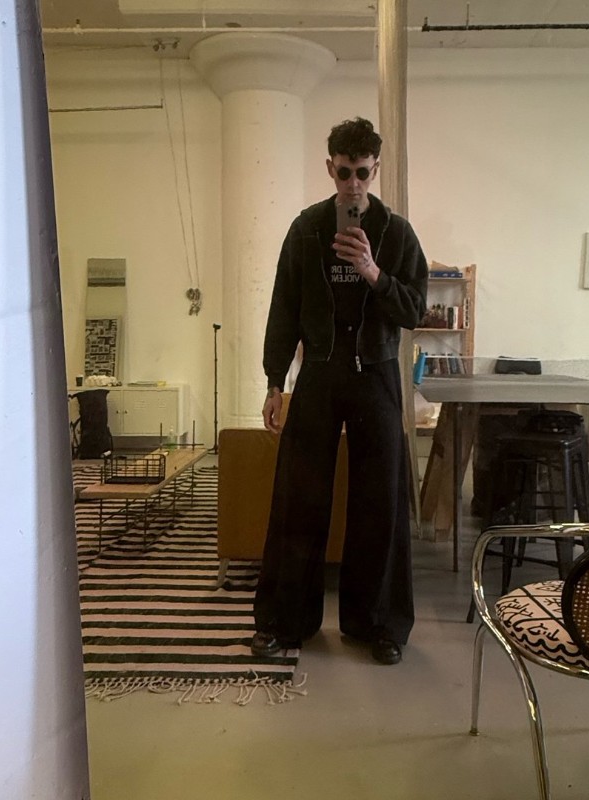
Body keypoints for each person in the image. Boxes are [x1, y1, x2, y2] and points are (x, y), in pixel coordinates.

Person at [251, 117, 428, 665]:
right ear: (330, 168)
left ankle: (378, 625)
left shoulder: (397, 234)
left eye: (363, 173)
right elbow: (283, 308)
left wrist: (373, 271)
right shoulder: (306, 230)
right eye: (344, 172)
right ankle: (284, 621)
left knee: (382, 500)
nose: (353, 185)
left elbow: (414, 310)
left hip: (377, 373)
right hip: (321, 373)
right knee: (298, 497)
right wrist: (274, 381)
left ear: (376, 170)